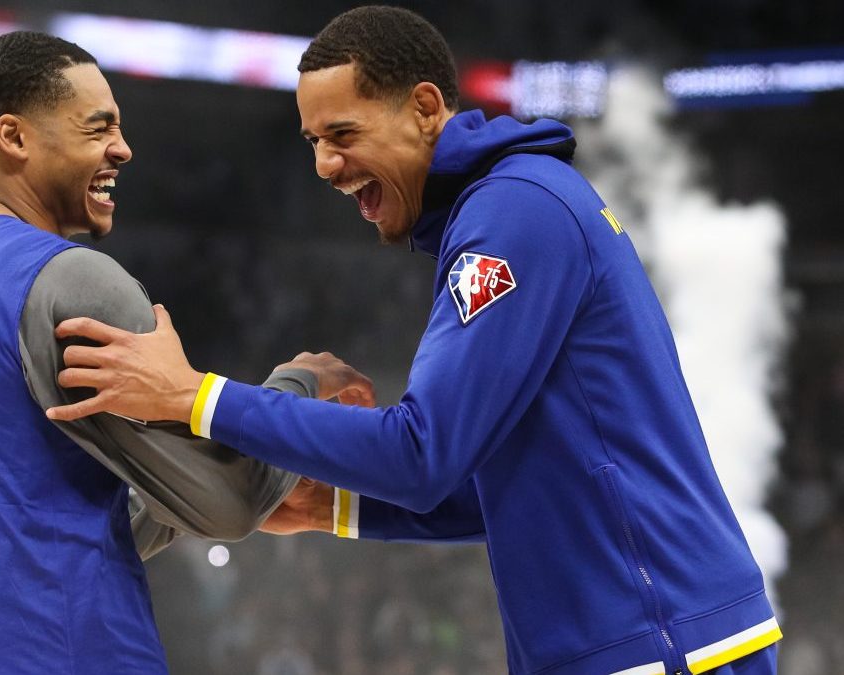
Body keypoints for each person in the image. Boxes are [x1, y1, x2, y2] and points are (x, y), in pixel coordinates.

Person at [45, 7, 781, 675]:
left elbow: (420, 454)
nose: (324, 165)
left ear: (425, 109)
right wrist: (336, 507)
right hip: (657, 635)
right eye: (313, 142)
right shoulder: (510, 207)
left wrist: (193, 396)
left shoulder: (512, 215)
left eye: (343, 134)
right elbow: (507, 493)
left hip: (659, 642)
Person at [0, 31, 358, 673]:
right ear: (13, 137)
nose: (123, 149)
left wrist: (174, 494)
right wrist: (300, 388)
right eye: (98, 128)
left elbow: (52, 532)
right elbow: (232, 501)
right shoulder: (72, 280)